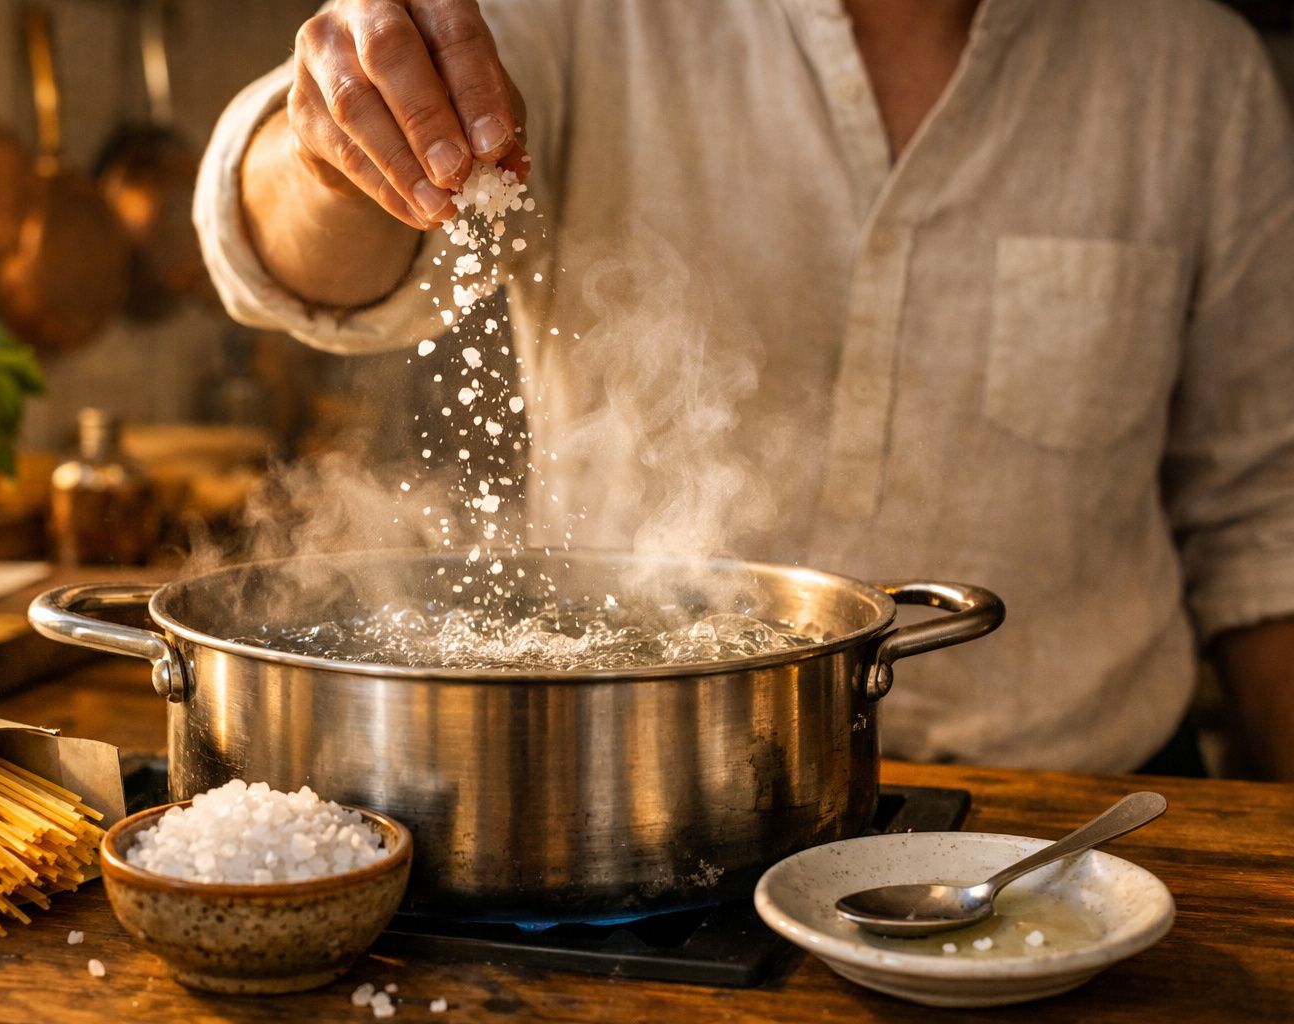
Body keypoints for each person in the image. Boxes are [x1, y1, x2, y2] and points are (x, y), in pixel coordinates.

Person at [194, 0, 1294, 779]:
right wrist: (331, 151)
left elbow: (1265, 526)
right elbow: (290, 254)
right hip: (638, 797)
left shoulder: (1196, 66)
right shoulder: (578, 15)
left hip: (1083, 810)